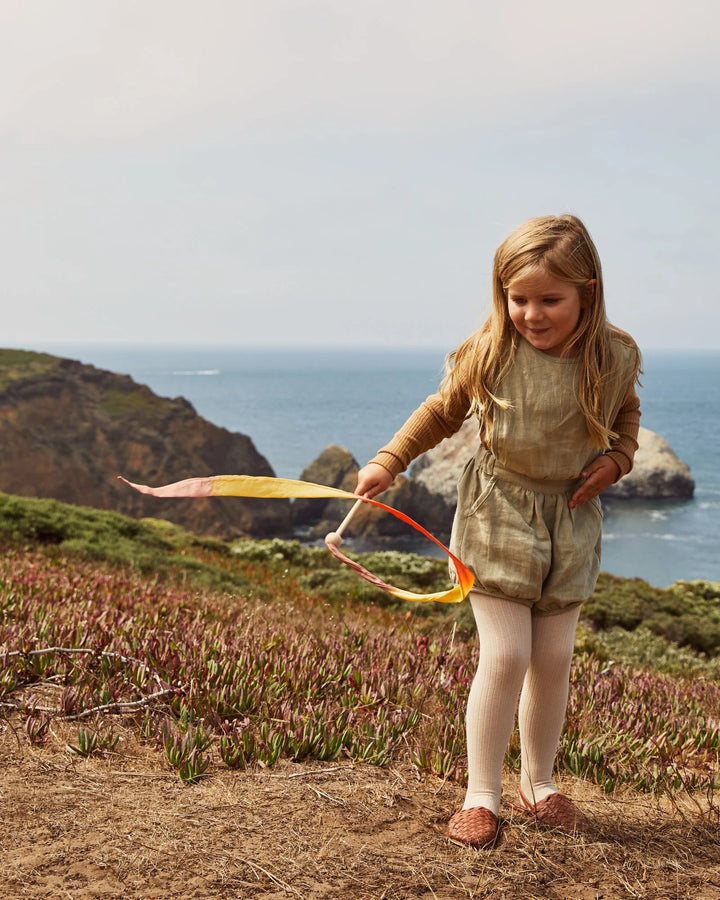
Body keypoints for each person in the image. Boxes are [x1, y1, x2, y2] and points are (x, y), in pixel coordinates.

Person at [355, 214, 641, 849]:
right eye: (518, 299)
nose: (532, 314)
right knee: (507, 654)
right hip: (497, 510)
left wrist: (618, 461)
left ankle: (538, 784)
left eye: (550, 300)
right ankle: (481, 794)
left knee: (554, 658)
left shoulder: (614, 354)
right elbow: (440, 410)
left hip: (569, 516)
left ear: (587, 292)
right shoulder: (492, 350)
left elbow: (626, 418)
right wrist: (388, 460)